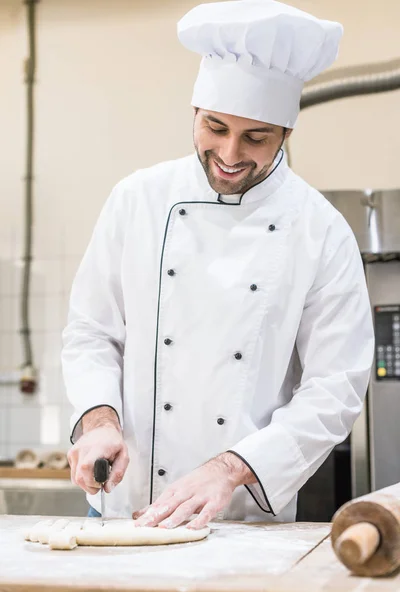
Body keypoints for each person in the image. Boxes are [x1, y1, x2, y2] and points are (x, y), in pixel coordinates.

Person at [62, 0, 374, 530]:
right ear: (194, 113)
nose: (230, 154)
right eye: (215, 127)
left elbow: (335, 386)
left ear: (286, 135)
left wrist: (232, 468)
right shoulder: (137, 199)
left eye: (256, 138)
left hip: (241, 516)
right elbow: (92, 332)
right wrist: (98, 419)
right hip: (123, 503)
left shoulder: (318, 230)